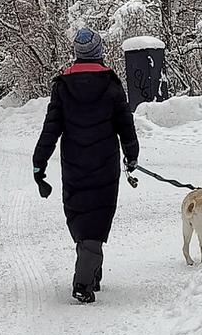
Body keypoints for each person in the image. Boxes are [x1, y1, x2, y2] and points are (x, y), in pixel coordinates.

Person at [32, 26, 140, 303]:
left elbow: (50, 129)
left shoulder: (62, 86)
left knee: (81, 216)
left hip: (74, 164)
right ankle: (83, 281)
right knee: (98, 217)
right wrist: (131, 155)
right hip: (105, 163)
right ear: (99, 52)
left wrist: (39, 163)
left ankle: (92, 269)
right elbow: (125, 125)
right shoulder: (112, 85)